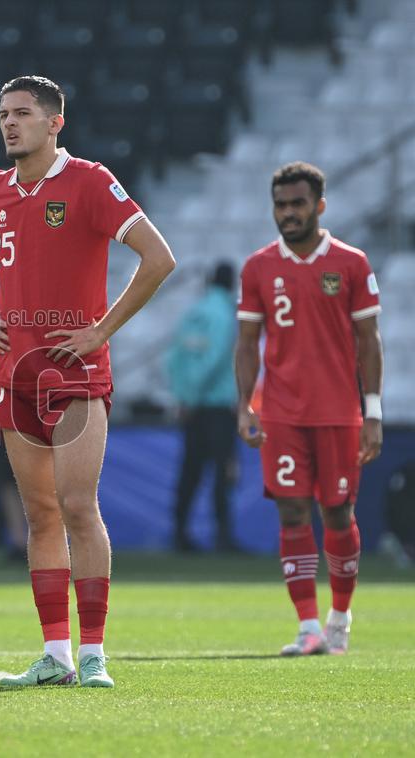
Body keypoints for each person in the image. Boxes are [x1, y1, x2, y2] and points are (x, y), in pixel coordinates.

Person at [0, 76, 175, 688]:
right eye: (3, 113)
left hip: (75, 375)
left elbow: (159, 258)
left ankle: (94, 652)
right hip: (14, 375)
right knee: (40, 515)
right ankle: (56, 654)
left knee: (77, 505)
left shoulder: (89, 181)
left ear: (55, 123)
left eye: (22, 113)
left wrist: (101, 331)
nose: (9, 123)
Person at [235, 161, 383, 656]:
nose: (288, 213)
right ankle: (308, 626)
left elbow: (369, 341)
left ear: (319, 206)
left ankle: (340, 617)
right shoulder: (258, 267)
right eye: (280, 205)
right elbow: (246, 342)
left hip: (339, 412)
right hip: (281, 412)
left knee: (337, 513)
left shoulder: (351, 263)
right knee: (292, 510)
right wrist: (244, 405)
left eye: (298, 203)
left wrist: (373, 412)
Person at [165, 262, 239, 552]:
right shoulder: (225, 315)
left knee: (190, 471)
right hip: (218, 407)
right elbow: (217, 358)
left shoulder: (192, 313)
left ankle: (179, 532)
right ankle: (223, 535)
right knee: (222, 472)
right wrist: (195, 395)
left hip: (192, 408)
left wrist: (184, 396)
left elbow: (173, 359)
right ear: (231, 284)